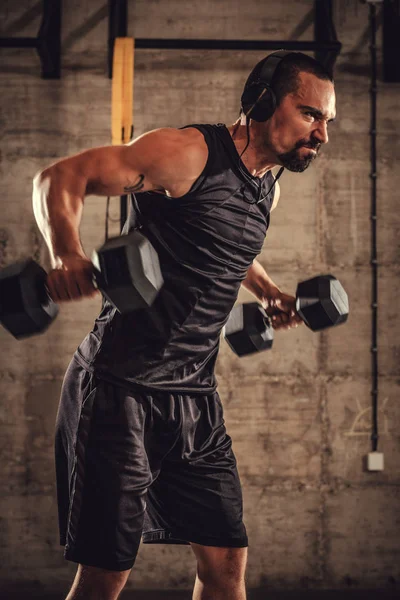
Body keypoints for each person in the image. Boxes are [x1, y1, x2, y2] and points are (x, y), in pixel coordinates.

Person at [32, 51, 336, 600]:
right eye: (311, 114)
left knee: (226, 562)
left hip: (194, 395)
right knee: (107, 572)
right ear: (266, 100)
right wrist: (67, 254)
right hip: (120, 388)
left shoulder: (268, 185)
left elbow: (226, 243)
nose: (322, 134)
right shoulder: (185, 152)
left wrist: (268, 292)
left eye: (326, 122)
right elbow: (60, 177)